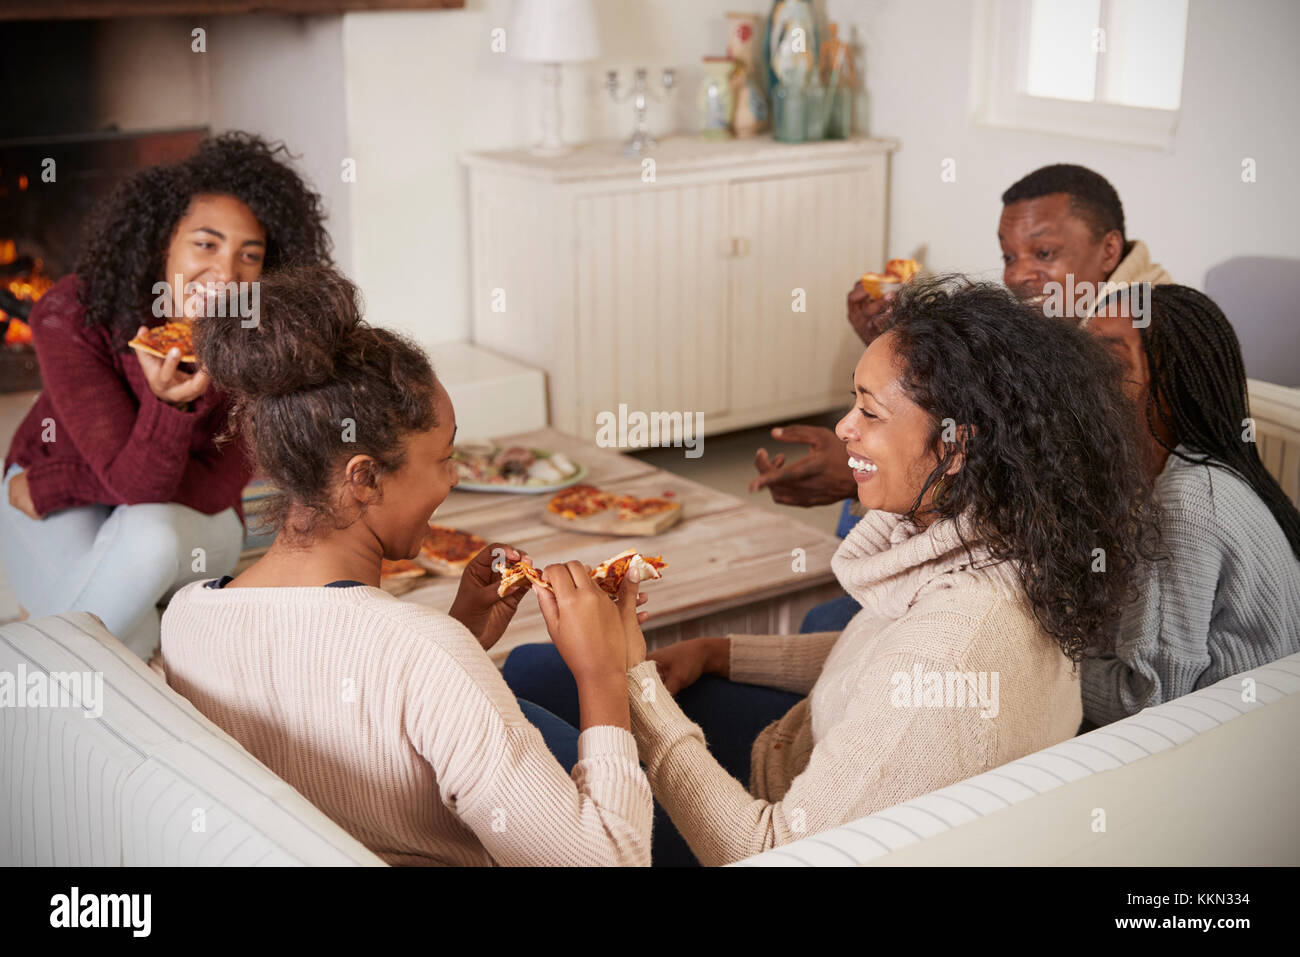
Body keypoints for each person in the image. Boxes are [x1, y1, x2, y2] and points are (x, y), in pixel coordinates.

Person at [504, 277, 1160, 865]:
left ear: (957, 444)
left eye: (870, 412)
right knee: (531, 667)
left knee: (521, 737)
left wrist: (626, 679)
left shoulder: (953, 645)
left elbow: (761, 850)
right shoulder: (1005, 536)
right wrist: (716, 651)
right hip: (793, 754)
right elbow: (880, 660)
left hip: (761, 834)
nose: (844, 428)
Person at [160, 265, 653, 866]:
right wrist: (603, 673)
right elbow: (605, 862)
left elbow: (352, 715)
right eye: (444, 458)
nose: (452, 477)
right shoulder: (421, 655)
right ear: (364, 478)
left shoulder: (187, 616)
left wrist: (463, 634)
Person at [754, 163, 1173, 632]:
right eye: (1009, 257)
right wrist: (889, 351)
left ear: (1109, 248)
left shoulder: (1133, 332)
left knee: (827, 620)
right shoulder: (1066, 316)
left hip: (1038, 567)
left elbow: (1058, 477)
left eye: (1045, 253)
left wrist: (860, 473)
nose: (1020, 277)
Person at [0, 132, 332, 659]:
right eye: (206, 243)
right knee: (127, 638)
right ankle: (143, 641)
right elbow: (131, 477)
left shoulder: (265, 335)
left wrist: (58, 483)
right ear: (162, 241)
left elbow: (213, 482)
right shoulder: (72, 311)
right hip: (45, 492)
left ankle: (34, 670)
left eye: (250, 255)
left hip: (149, 510)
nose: (226, 274)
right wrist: (122, 465)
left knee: (148, 532)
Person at [1081, 285, 1300, 724]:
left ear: (1169, 385)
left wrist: (1050, 670)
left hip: (1222, 754)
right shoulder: (1189, 475)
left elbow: (1146, 701)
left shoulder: (1187, 502)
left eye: (1106, 360)